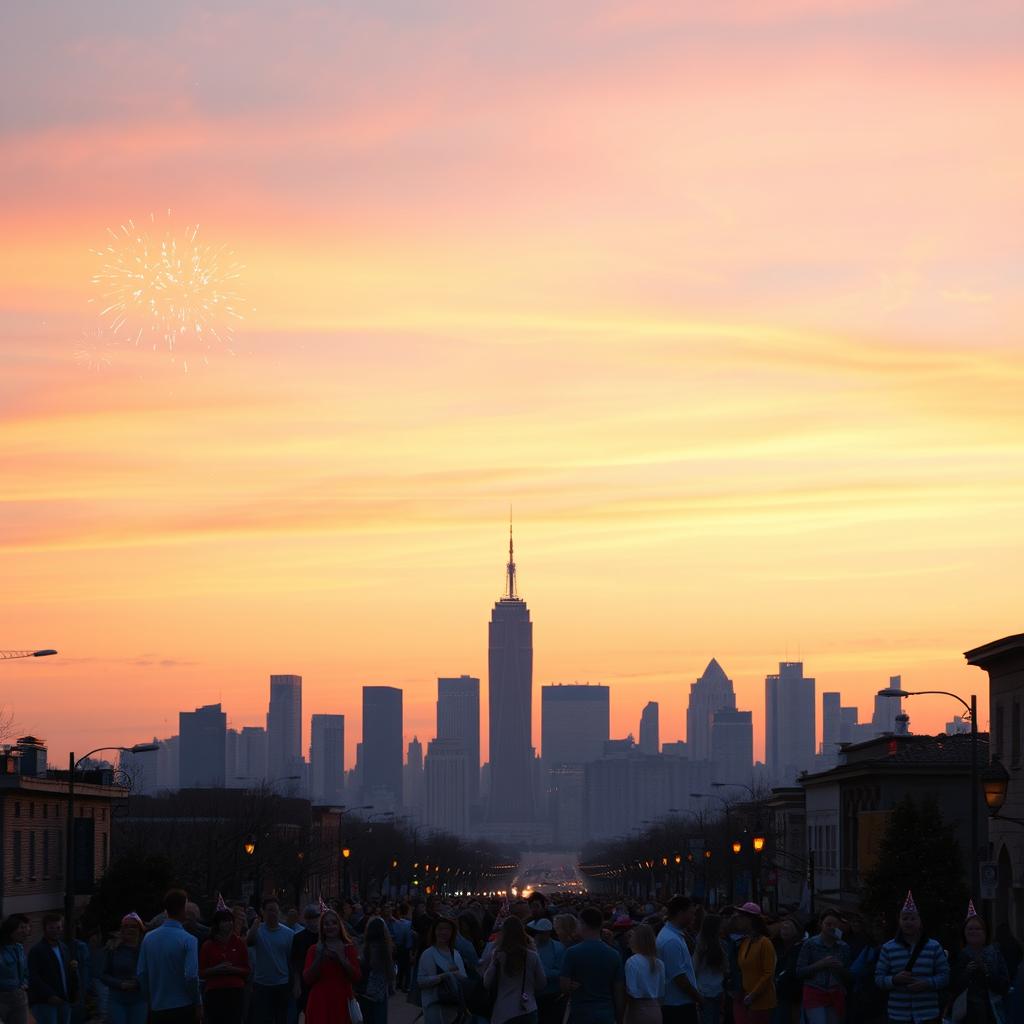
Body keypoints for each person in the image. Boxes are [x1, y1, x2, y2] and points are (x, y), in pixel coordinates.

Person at [875, 892, 949, 1024]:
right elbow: (878, 978)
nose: (908, 922)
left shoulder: (934, 946)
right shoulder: (888, 948)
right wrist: (894, 980)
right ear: (899, 921)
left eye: (912, 918)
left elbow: (945, 975)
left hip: (928, 1015)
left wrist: (928, 983)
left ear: (920, 921)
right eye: (905, 918)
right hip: (898, 1015)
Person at [136, 889, 200, 1024]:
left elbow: (141, 973)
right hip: (183, 1006)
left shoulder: (148, 938)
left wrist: (149, 997)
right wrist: (197, 1002)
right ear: (183, 909)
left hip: (157, 1007)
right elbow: (191, 976)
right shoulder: (189, 940)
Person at [560, 906, 625, 1024]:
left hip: (580, 1014)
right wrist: (619, 1018)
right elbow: (619, 991)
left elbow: (564, 987)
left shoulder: (572, 952)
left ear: (583, 924)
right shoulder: (614, 954)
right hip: (606, 1014)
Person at [483, 916, 548, 1024]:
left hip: (503, 1010)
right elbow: (542, 983)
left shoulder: (498, 955)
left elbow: (487, 982)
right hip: (528, 1007)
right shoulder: (532, 956)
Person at [949, 909, 1009, 1024]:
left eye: (978, 929)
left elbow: (1004, 986)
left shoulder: (995, 954)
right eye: (970, 929)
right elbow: (951, 985)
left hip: (992, 1013)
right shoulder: (958, 955)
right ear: (964, 932)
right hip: (965, 1015)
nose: (974, 932)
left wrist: (987, 972)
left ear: (985, 932)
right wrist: (966, 973)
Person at [303, 909, 360, 1024]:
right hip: (319, 1002)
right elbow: (307, 979)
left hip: (342, 1001)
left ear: (340, 926)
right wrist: (319, 957)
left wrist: (342, 959)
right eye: (326, 924)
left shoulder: (348, 949)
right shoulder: (314, 950)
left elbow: (356, 977)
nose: (330, 926)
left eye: (334, 923)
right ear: (322, 928)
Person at [796, 910, 851, 1024]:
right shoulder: (810, 944)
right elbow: (799, 972)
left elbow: (849, 976)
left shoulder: (843, 947)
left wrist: (840, 968)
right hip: (814, 992)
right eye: (828, 924)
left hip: (835, 993)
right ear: (821, 924)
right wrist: (820, 964)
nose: (831, 928)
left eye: (835, 925)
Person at [247, 898, 295, 1024]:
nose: (272, 913)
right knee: (262, 1019)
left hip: (282, 984)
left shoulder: (289, 934)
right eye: (269, 910)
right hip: (262, 984)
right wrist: (255, 924)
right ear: (262, 912)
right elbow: (249, 942)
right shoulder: (257, 930)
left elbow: (291, 959)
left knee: (281, 1018)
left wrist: (294, 983)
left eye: (275, 910)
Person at [657, 896, 703, 1024]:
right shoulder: (671, 940)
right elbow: (679, 978)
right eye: (691, 913)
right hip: (678, 1006)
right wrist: (699, 998)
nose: (694, 917)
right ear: (680, 913)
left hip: (678, 1004)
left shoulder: (672, 935)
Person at [200, 908, 250, 1024]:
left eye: (230, 920)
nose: (229, 923)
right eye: (225, 921)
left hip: (235, 991)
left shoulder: (239, 943)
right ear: (218, 924)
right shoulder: (208, 945)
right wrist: (216, 970)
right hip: (215, 992)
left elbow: (247, 970)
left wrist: (232, 969)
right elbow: (201, 972)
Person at [28, 913, 78, 1024]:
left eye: (58, 927)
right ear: (45, 929)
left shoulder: (64, 948)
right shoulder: (37, 950)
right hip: (45, 1002)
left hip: (64, 1000)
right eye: (51, 928)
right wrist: (49, 995)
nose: (55, 931)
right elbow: (34, 977)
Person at [417, 917, 467, 1024]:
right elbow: (421, 981)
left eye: (447, 929)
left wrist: (456, 975)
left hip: (453, 1007)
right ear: (434, 931)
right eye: (440, 929)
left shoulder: (456, 954)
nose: (444, 932)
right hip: (433, 1005)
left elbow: (464, 979)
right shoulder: (428, 954)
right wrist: (442, 976)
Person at [733, 903, 776, 1024]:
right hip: (745, 999)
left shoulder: (765, 943)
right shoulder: (745, 942)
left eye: (741, 917)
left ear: (750, 919)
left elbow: (768, 973)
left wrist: (753, 994)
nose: (738, 920)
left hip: (761, 1001)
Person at [102, 914, 148, 1024]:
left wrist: (139, 982)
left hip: (139, 999)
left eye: (133, 926)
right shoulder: (113, 948)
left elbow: (153, 973)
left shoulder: (146, 949)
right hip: (117, 999)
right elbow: (103, 975)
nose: (130, 929)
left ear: (140, 929)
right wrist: (120, 984)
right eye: (126, 926)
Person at [624, 923, 665, 1024]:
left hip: (637, 1010)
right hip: (656, 1010)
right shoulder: (659, 963)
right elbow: (661, 992)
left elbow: (631, 991)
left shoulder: (632, 961)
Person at [528, 919, 566, 1024]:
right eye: (537, 932)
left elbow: (561, 971)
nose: (538, 935)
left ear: (548, 933)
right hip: (534, 996)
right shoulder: (530, 946)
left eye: (541, 933)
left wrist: (541, 972)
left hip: (553, 995)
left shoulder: (558, 948)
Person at [358, 916, 395, 1024]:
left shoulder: (364, 946)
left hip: (364, 991)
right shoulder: (384, 948)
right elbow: (390, 974)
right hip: (379, 992)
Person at [692, 915, 728, 1024]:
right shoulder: (722, 945)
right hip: (718, 989)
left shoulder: (700, 945)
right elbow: (726, 968)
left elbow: (694, 968)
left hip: (703, 990)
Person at [290, 905, 321, 1017]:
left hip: (321, 980)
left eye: (315, 918)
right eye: (310, 918)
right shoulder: (299, 938)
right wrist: (297, 983)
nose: (314, 921)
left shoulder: (325, 936)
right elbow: (295, 963)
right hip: (305, 981)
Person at [0, 914, 30, 1024]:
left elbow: (25, 971)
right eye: (22, 927)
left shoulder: (19, 948)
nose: (25, 931)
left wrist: (25, 983)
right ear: (11, 928)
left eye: (27, 927)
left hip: (19, 997)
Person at [771, 919, 802, 1024]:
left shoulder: (800, 948)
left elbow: (791, 969)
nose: (784, 931)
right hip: (775, 992)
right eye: (783, 928)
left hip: (792, 993)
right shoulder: (775, 945)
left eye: (788, 928)